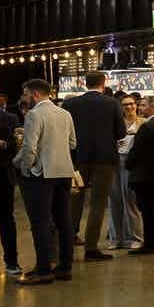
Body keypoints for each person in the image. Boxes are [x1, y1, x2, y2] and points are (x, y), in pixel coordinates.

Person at [12, 78, 75, 285]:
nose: (24, 98)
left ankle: (43, 270)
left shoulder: (34, 114)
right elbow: (73, 143)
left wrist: (24, 169)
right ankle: (65, 268)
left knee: (40, 223)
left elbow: (29, 148)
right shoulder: (65, 113)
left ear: (35, 94)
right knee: (64, 222)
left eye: (25, 94)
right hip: (64, 172)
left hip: (41, 175)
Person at [63, 70, 121, 261]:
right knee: (98, 203)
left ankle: (67, 244)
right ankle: (91, 248)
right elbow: (120, 132)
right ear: (103, 83)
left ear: (84, 83)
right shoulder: (112, 103)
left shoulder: (70, 104)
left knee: (74, 201)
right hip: (104, 159)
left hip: (78, 158)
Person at [126, 96, 154, 256]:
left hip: (145, 176)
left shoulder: (148, 127)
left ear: (153, 107)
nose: (140, 108)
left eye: (143, 105)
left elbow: (137, 152)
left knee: (148, 211)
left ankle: (150, 244)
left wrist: (128, 164)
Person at [106, 92, 144, 251]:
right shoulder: (116, 123)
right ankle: (116, 238)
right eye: (125, 105)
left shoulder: (143, 122)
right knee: (114, 201)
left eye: (131, 104)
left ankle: (135, 237)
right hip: (115, 163)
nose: (129, 107)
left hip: (132, 164)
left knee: (131, 201)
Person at [0, 83, 21, 272]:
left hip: (3, 174)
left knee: (6, 218)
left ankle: (12, 262)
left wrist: (3, 145)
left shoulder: (10, 118)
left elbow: (18, 144)